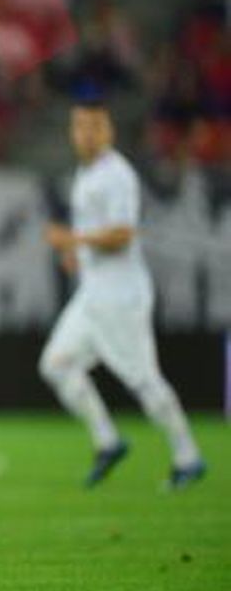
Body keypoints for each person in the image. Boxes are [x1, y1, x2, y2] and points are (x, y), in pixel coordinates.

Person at [41, 101, 205, 490]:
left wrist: (73, 240)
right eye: (80, 126)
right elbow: (99, 234)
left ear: (109, 131)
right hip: (93, 294)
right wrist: (77, 254)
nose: (86, 134)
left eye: (94, 126)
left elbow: (122, 235)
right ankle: (108, 442)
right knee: (56, 365)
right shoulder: (86, 173)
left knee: (144, 380)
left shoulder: (117, 175)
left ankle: (188, 457)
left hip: (120, 296)